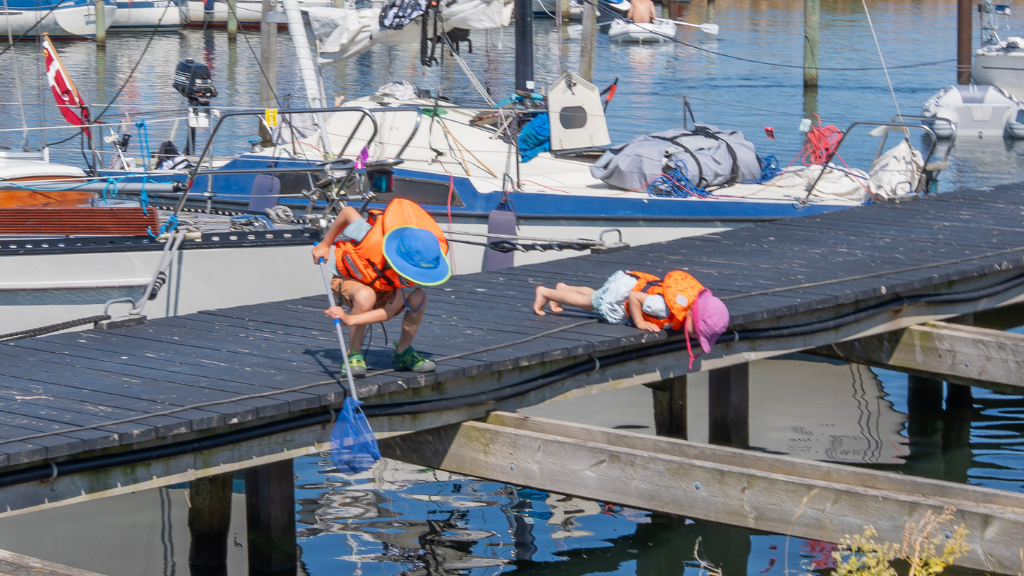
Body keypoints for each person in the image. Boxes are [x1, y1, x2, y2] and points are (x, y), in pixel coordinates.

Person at [312, 201, 451, 376]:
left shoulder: (417, 270)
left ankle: (403, 352)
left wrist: (349, 320)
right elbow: (347, 212)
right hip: (349, 282)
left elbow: (389, 311)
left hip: (384, 289)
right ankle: (353, 353)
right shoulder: (369, 235)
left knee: (418, 297)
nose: (412, 278)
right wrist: (326, 243)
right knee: (365, 295)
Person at [533, 269, 729, 367]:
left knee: (595, 296)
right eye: (698, 333)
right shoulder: (662, 308)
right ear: (692, 316)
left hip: (628, 286)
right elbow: (634, 298)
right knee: (588, 303)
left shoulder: (683, 307)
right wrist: (640, 322)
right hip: (625, 292)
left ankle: (563, 289)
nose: (696, 337)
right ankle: (547, 294)